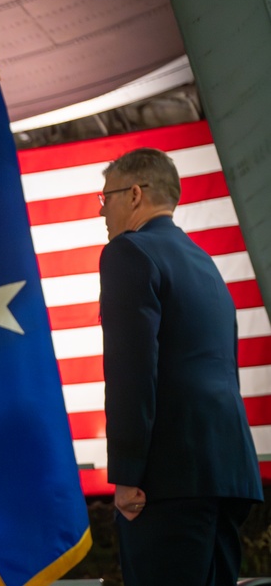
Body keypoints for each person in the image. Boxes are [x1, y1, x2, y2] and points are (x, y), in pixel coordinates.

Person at [97, 148, 263, 586]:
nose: (101, 211)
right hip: (227, 473)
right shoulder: (204, 263)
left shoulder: (128, 253)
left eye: (106, 197)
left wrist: (128, 474)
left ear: (135, 194)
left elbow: (132, 371)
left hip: (166, 482)